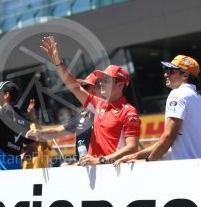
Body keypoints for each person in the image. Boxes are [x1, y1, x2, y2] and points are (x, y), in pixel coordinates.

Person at [40, 36, 141, 165]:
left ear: (120, 85)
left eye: (106, 80)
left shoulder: (129, 112)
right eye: (101, 80)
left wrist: (100, 160)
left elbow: (132, 148)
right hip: (94, 170)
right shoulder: (99, 104)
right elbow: (75, 88)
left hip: (112, 172)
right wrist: (58, 63)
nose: (101, 84)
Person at [114, 55, 201, 165]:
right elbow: (169, 140)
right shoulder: (200, 99)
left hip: (185, 170)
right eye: (166, 70)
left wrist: (147, 161)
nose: (165, 74)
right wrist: (136, 155)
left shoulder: (178, 94)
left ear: (185, 75)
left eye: (171, 71)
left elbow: (168, 137)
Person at [28, 72, 101, 160]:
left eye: (86, 87)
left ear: (100, 90)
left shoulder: (109, 113)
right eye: (82, 87)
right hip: (83, 168)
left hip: (103, 166)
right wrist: (40, 133)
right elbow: (57, 132)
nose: (81, 91)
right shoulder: (81, 117)